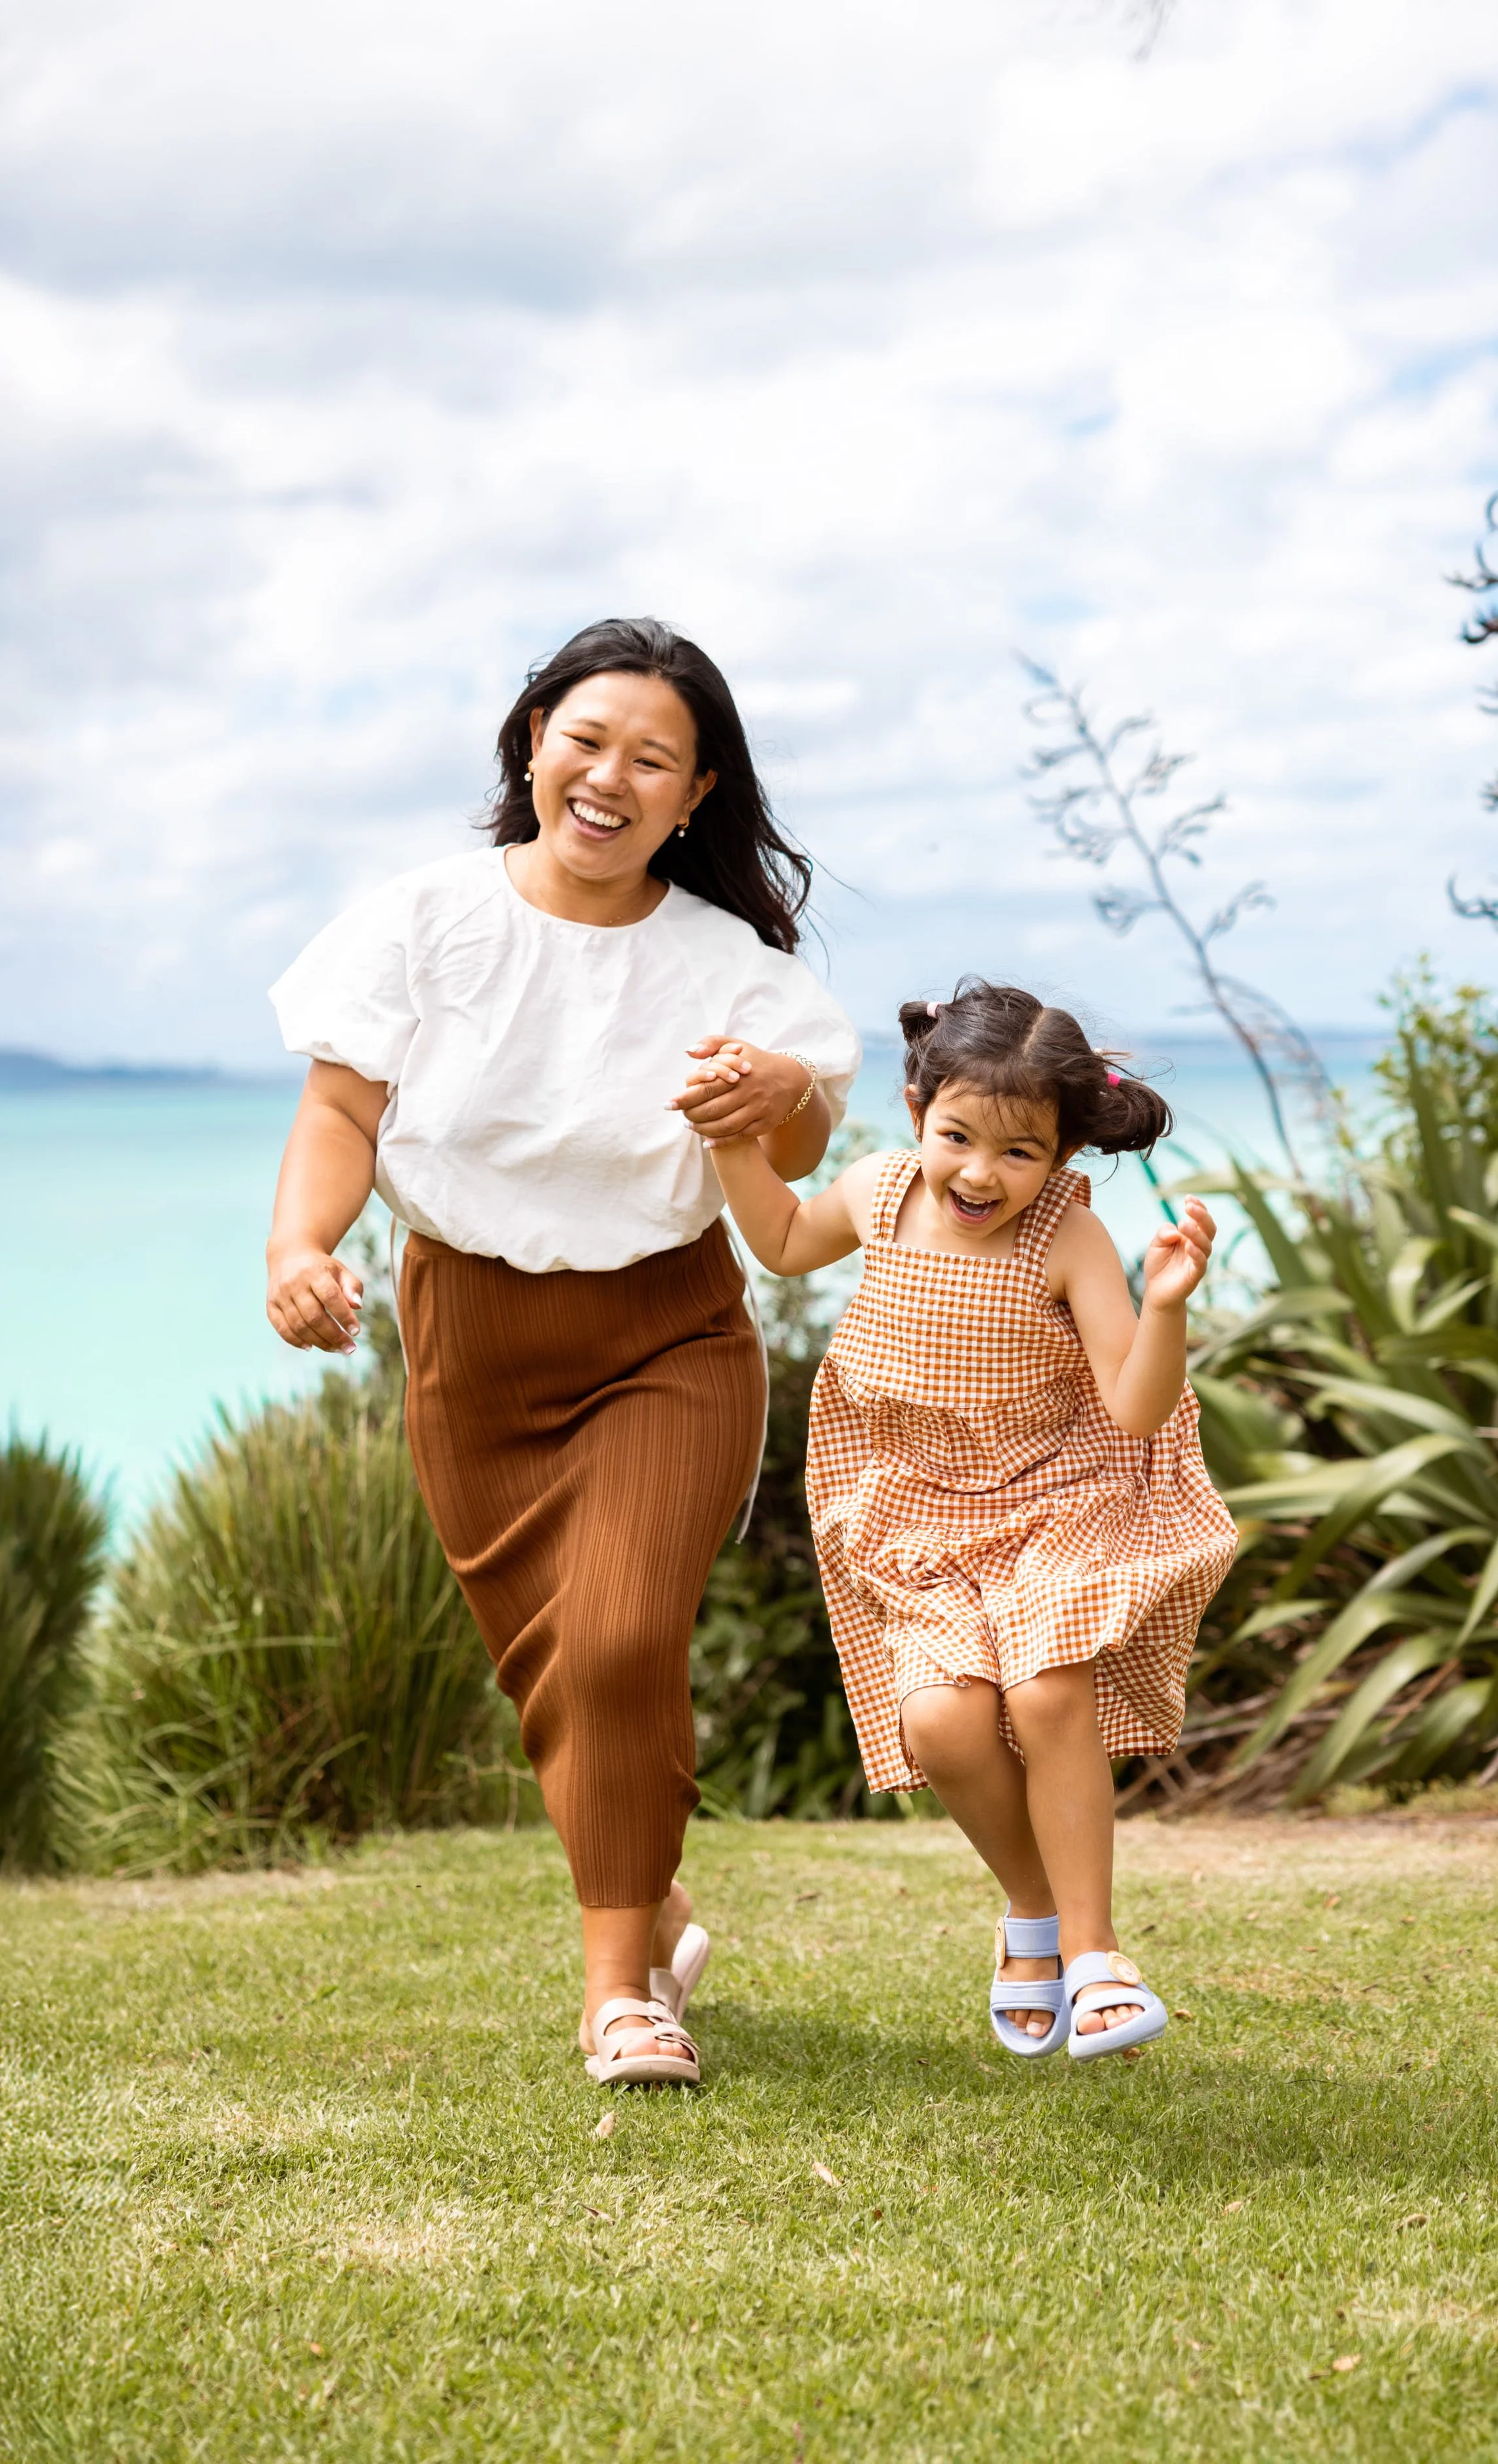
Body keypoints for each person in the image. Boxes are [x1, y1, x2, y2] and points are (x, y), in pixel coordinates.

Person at [264, 617, 860, 2088]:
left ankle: (620, 1996)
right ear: (532, 739)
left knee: (616, 1637)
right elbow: (341, 1116)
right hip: (468, 1338)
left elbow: (798, 1143)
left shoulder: (730, 966)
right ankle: (646, 1895)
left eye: (652, 758)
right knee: (554, 1671)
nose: (609, 776)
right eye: (585, 739)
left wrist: (783, 1087)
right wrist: (297, 1251)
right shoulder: (419, 921)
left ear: (696, 792)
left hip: (665, 1333)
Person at [699, 978, 1238, 2062]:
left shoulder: (1070, 1243)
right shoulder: (876, 1191)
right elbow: (783, 1241)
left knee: (1044, 1694)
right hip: (912, 1504)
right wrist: (730, 1136)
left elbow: (1133, 1408)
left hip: (1053, 1495)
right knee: (942, 1725)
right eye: (957, 1136)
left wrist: (1168, 1306)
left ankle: (1092, 1952)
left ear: (1063, 1156)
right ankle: (1030, 1916)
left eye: (1020, 1153)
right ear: (916, 1113)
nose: (981, 1175)